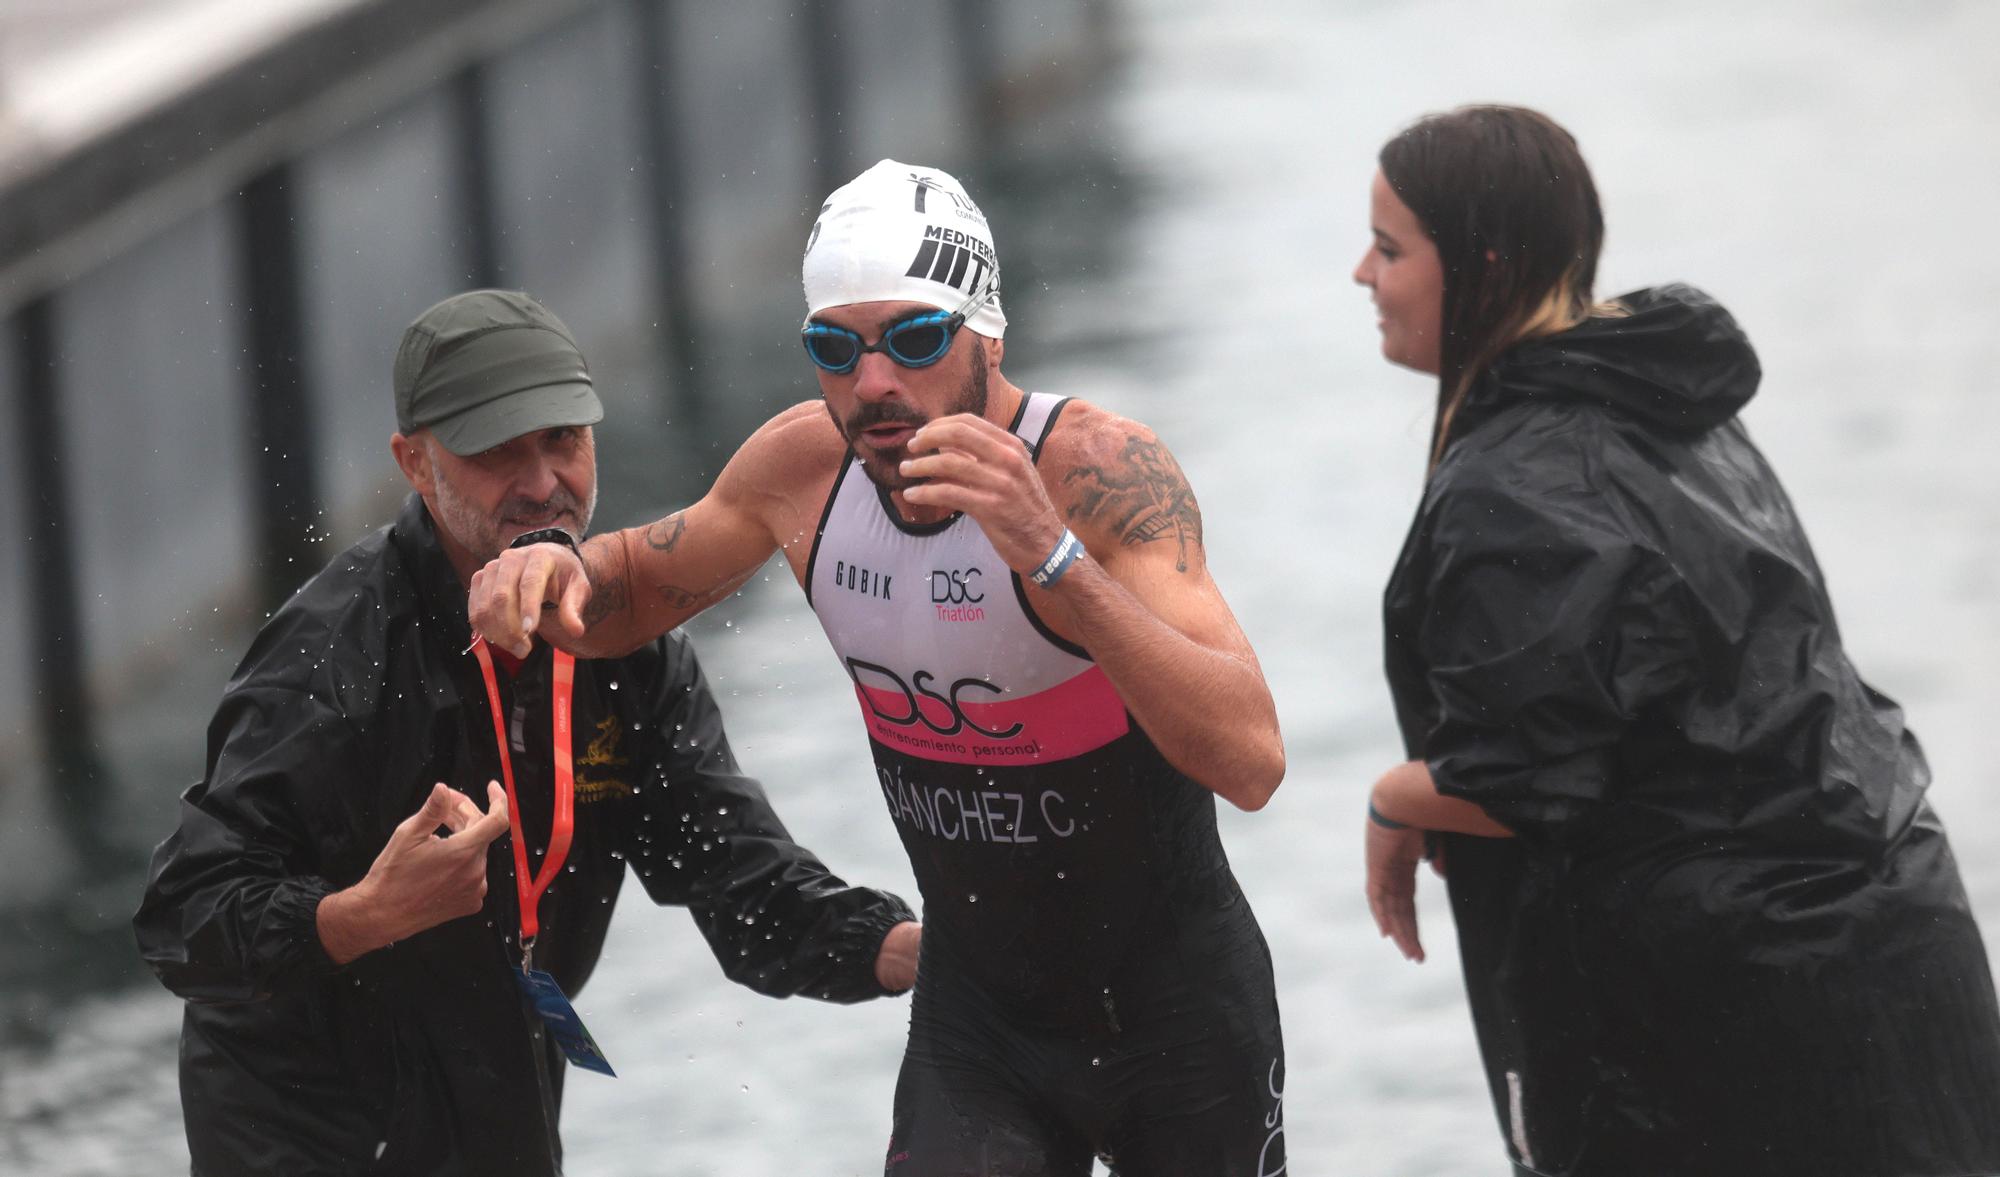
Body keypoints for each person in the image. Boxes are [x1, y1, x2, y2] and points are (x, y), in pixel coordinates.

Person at [468, 160, 1289, 1175]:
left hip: (1180, 1031)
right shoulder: (802, 473)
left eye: (913, 339)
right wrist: (550, 563)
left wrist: (1050, 555)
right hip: (980, 1028)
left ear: (985, 332)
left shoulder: (1096, 473)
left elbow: (1250, 758)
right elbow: (631, 587)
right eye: (834, 347)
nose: (873, 385)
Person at [133, 289, 920, 1177]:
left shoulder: (629, 654)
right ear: (415, 462)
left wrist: (921, 956)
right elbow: (181, 915)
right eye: (496, 453)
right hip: (303, 1127)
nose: (544, 482)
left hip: (501, 1090)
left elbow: (745, 886)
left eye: (563, 440)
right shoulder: (337, 654)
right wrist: (360, 916)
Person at [1353, 105, 2000, 1176]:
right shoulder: (1667, 405)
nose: (1361, 276)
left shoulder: (1510, 485)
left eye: (1387, 247)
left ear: (1483, 263)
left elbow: (1533, 777)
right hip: (1897, 937)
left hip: (1740, 1016)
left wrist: (1395, 796)